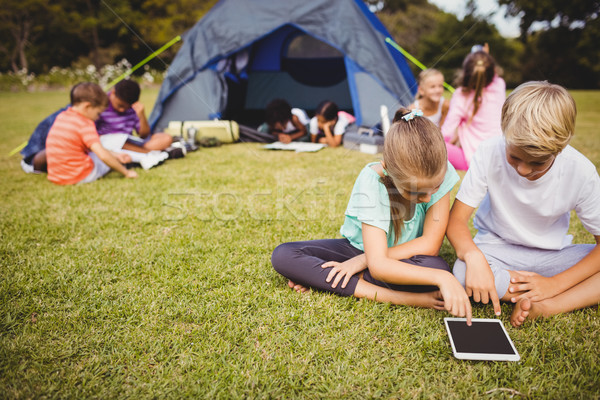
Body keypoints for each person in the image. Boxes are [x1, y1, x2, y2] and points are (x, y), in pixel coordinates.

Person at [272, 108, 472, 322]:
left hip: (406, 257)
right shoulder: (373, 180)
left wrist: (361, 263)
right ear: (388, 170)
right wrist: (443, 279)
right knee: (284, 255)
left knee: (435, 265)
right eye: (415, 192)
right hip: (358, 249)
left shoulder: (441, 170)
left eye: (435, 187)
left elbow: (430, 244)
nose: (427, 198)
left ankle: (329, 277)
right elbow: (378, 265)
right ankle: (405, 297)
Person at [446, 81, 600, 327]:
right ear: (504, 131)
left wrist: (554, 284)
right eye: (515, 157)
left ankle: (549, 304)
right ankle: (535, 292)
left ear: (560, 149)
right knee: (464, 272)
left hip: (553, 257)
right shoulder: (488, 152)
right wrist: (474, 257)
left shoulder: (581, 172)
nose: (523, 169)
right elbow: (455, 222)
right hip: (497, 251)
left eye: (537, 163)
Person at [45, 82, 138, 185]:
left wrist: (116, 155)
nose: (98, 117)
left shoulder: (62, 117)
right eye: (98, 113)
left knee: (95, 154)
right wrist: (126, 172)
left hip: (56, 176)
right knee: (103, 162)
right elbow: (103, 155)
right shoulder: (85, 124)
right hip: (78, 176)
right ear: (87, 107)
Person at [441, 44, 505, 170]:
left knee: (435, 146)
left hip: (474, 161)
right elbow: (491, 73)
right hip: (501, 157)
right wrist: (485, 57)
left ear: (465, 72)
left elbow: (446, 133)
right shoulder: (499, 85)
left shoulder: (461, 95)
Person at [95, 79, 176, 167]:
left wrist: (141, 115)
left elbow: (144, 135)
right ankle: (151, 154)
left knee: (166, 138)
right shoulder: (101, 105)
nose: (122, 110)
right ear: (113, 93)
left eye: (126, 107)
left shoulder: (133, 107)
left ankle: (143, 153)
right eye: (120, 105)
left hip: (129, 143)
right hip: (108, 143)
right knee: (115, 141)